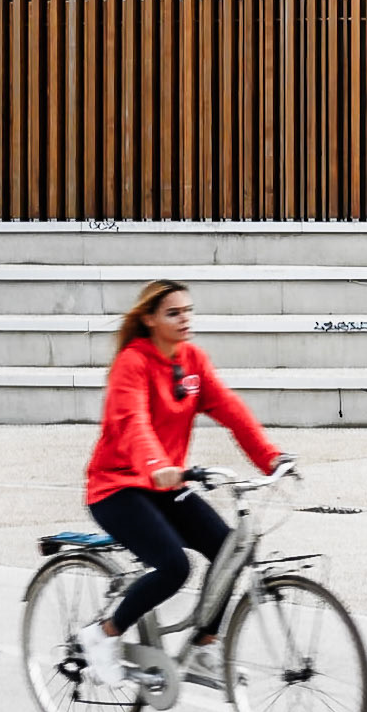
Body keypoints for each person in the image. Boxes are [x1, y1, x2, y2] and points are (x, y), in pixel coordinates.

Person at [77, 278, 289, 686]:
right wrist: (157, 462)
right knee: (174, 566)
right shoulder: (132, 364)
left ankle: (202, 650)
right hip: (117, 487)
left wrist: (270, 457)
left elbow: (230, 409)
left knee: (231, 551)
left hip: (165, 486)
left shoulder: (192, 360)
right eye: (174, 313)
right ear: (150, 319)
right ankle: (102, 635)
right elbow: (133, 421)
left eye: (188, 311)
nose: (184, 319)